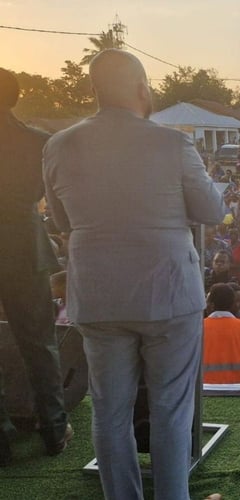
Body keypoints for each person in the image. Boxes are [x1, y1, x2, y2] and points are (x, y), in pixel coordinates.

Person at [43, 50, 225, 499]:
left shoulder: (58, 145)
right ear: (144, 88)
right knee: (170, 411)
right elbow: (212, 211)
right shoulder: (172, 144)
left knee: (109, 411)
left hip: (99, 295)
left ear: (93, 91)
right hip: (169, 293)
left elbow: (62, 220)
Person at [0, 67, 70, 466]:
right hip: (24, 247)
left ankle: (2, 439)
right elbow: (45, 198)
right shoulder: (38, 142)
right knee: (39, 343)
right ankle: (54, 431)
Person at [202, 283, 240, 384]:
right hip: (236, 391)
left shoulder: (199, 327)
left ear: (211, 303)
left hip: (206, 390)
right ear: (232, 303)